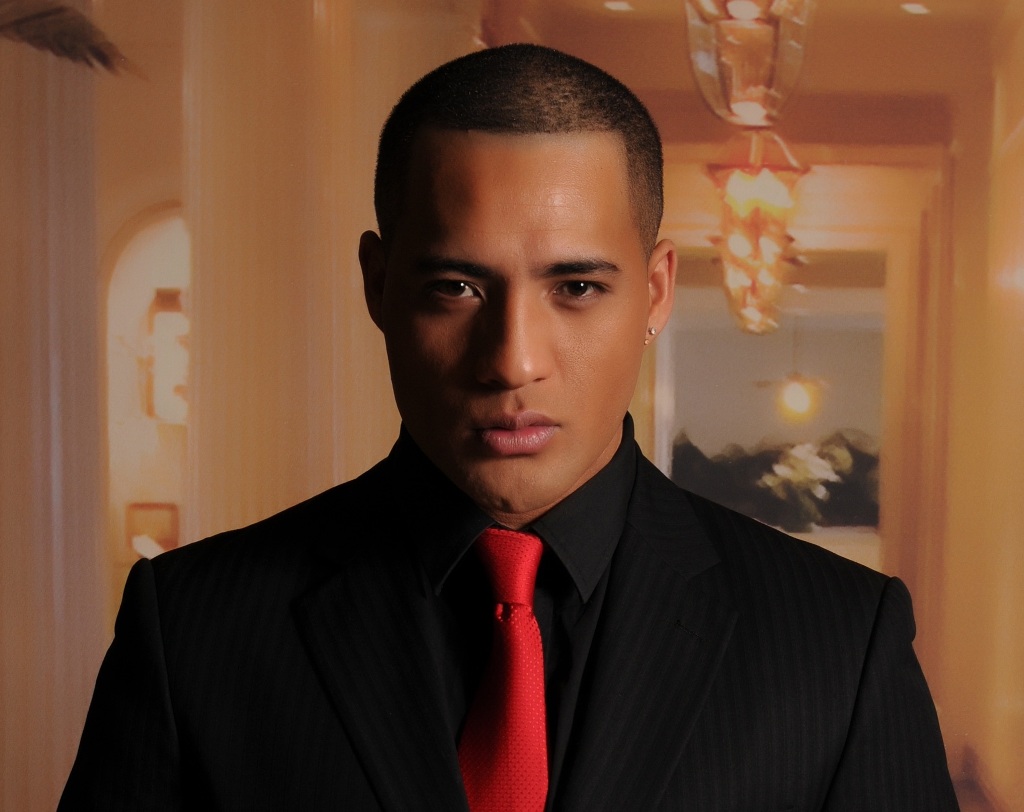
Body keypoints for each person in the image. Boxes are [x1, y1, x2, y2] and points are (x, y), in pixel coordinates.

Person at [59, 44, 959, 811]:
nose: (513, 360)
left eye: (577, 287)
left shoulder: (841, 643)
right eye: (456, 287)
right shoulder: (193, 629)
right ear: (378, 286)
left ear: (655, 293)